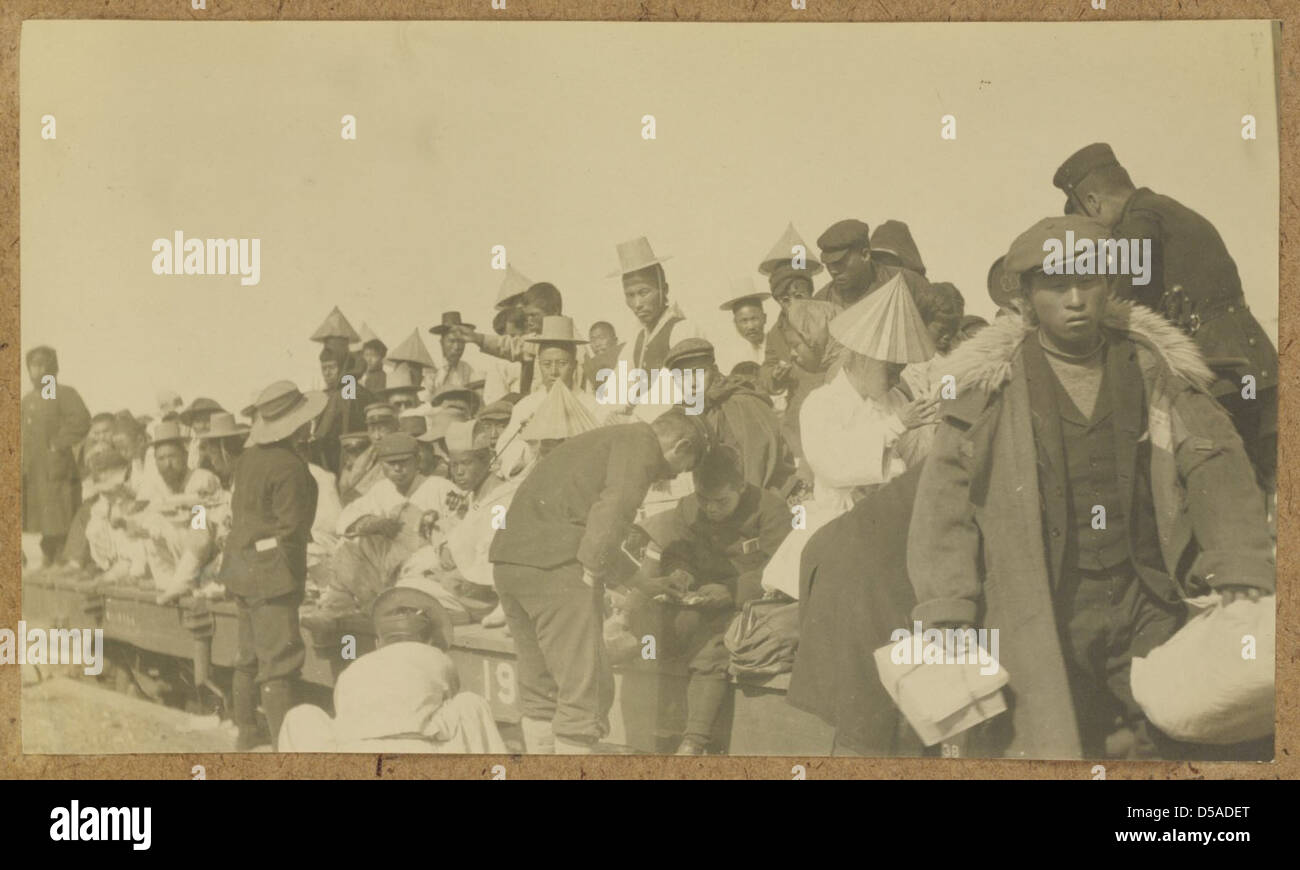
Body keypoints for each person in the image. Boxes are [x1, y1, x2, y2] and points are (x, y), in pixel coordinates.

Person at [907, 216, 1275, 760]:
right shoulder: (991, 386)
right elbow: (946, 505)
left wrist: (1240, 562)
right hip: (1045, 609)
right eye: (1057, 285)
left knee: (1177, 740)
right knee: (1062, 743)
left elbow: (1214, 462)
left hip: (1152, 597)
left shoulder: (1156, 368)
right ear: (1028, 297)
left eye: (1091, 281)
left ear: (1112, 285)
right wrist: (946, 609)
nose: (1076, 300)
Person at [1053, 142, 1278, 492]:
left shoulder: (1141, 219)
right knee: (1267, 491)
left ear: (1094, 203)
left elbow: (1120, 295)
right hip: (1251, 369)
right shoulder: (1166, 210)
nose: (1104, 238)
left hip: (1223, 377)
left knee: (1232, 492)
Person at [488, 408, 708, 754]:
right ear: (681, 445)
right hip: (557, 571)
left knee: (540, 687)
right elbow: (613, 511)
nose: (680, 473)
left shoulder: (601, 440)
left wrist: (641, 582)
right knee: (583, 695)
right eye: (687, 464)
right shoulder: (640, 443)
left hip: (509, 563)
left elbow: (582, 525)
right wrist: (591, 575)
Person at [627, 446, 792, 754]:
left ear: (741, 488)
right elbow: (678, 550)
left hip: (749, 600)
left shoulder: (771, 509)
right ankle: (663, 727)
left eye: (721, 501)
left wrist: (732, 590)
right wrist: (680, 573)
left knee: (713, 645)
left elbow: (779, 568)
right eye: (704, 499)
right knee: (657, 623)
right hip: (700, 597)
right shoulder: (689, 507)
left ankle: (694, 741)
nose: (712, 509)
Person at [278, 583, 505, 753]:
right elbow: (449, 707)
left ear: (379, 642)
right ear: (429, 641)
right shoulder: (437, 658)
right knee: (470, 705)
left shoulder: (354, 669)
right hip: (417, 756)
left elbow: (343, 714)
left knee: (300, 716)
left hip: (353, 758)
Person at [220, 380, 324, 750]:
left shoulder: (248, 459)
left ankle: (247, 734)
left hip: (242, 568)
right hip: (273, 572)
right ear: (298, 424)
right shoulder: (291, 468)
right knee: (279, 661)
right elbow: (293, 528)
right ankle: (284, 747)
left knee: (247, 656)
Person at [311, 433, 460, 620]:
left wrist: (436, 528)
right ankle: (348, 605)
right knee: (348, 546)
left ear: (417, 460)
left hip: (426, 568)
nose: (398, 468)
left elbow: (462, 527)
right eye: (391, 463)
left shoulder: (439, 486)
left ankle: (388, 607)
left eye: (404, 462)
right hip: (388, 571)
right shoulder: (382, 489)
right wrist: (374, 523)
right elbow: (344, 520)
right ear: (382, 465)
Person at [663, 338, 793, 492]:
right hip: (721, 498)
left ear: (715, 370)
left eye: (699, 373)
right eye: (682, 376)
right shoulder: (690, 409)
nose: (692, 383)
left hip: (763, 495)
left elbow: (756, 468)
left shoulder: (739, 403)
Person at [493, 316, 602, 478]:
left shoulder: (592, 405)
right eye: (547, 364)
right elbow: (504, 452)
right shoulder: (526, 407)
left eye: (562, 363)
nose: (553, 372)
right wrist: (530, 446)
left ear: (573, 365)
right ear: (539, 365)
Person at [609, 237, 708, 392]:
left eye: (644, 292)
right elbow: (615, 388)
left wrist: (634, 414)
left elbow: (677, 389)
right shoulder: (637, 341)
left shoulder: (683, 330)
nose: (637, 304)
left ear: (664, 289)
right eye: (630, 295)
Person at [22, 346, 91, 567]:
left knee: (60, 514)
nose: (39, 370)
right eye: (34, 365)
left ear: (53, 367)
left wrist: (57, 443)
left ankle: (65, 556)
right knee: (41, 516)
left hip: (57, 468)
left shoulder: (62, 393)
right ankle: (48, 553)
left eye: (43, 364)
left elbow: (81, 420)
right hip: (34, 470)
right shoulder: (27, 401)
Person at [311, 346, 373, 474]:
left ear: (343, 367)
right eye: (324, 368)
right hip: (333, 456)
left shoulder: (349, 391)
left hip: (349, 456)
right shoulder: (328, 394)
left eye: (332, 368)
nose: (327, 373)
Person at [337, 402, 399, 504]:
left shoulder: (397, 454)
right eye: (372, 429)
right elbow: (347, 486)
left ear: (395, 427)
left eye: (383, 429)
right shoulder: (369, 454)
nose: (377, 436)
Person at [717, 281, 770, 372]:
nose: (750, 327)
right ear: (735, 323)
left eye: (754, 319)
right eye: (744, 321)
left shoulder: (778, 344)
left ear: (764, 318)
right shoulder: (730, 356)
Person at [427, 312, 481, 393]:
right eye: (452, 341)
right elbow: (425, 400)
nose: (457, 347)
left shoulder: (467, 369)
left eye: (461, 341)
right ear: (442, 343)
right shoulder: (431, 369)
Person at [358, 329, 388, 394]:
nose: (369, 359)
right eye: (367, 355)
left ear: (382, 358)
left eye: (374, 355)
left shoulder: (381, 377)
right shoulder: (359, 374)